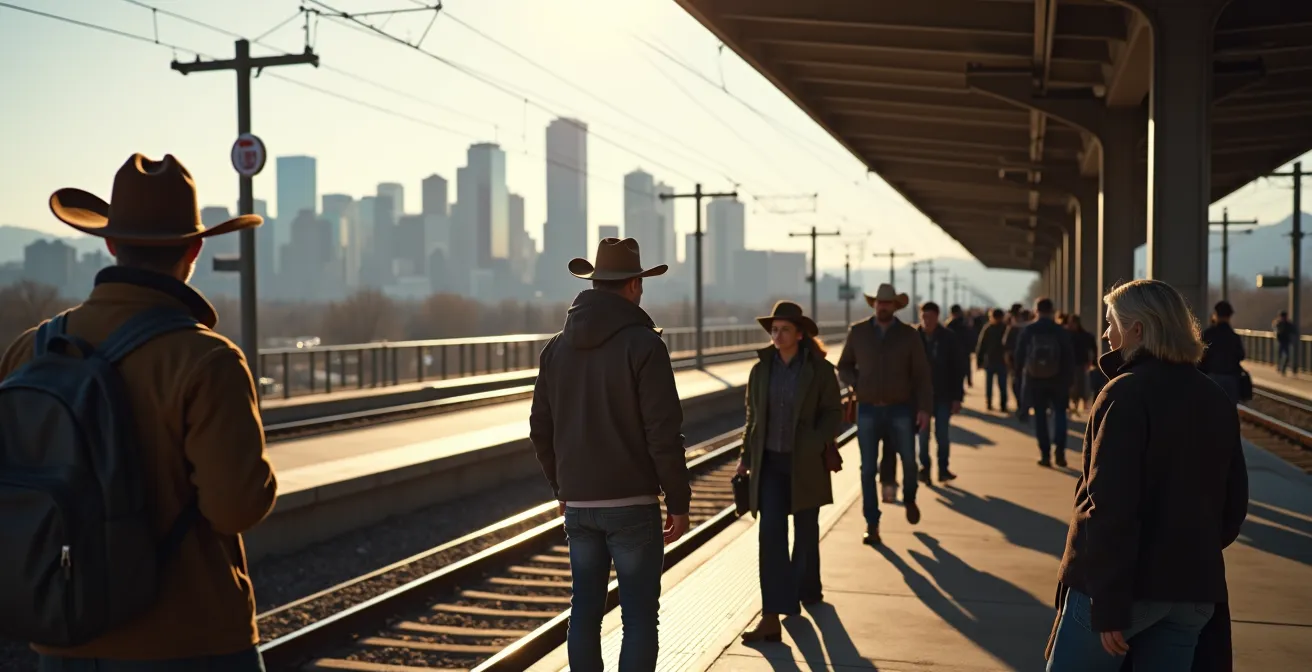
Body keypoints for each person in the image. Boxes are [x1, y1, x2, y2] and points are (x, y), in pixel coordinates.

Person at [0, 154, 277, 670]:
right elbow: (237, 507)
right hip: (190, 641)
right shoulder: (207, 359)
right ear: (193, 250)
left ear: (109, 243)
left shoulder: (29, 349)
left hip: (62, 638)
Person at [1045, 279, 1248, 671]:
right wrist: (1188, 554)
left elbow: (1108, 507)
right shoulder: (1214, 397)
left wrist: (1108, 602)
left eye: (1111, 323)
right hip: (1192, 591)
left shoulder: (1125, 393)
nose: (1105, 333)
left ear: (1137, 328)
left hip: (1125, 591)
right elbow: (1233, 504)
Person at [530, 237, 691, 672]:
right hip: (632, 506)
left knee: (584, 611)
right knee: (639, 617)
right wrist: (678, 502)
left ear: (595, 283)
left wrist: (561, 487)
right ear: (635, 286)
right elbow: (663, 434)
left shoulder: (555, 349)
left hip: (579, 505)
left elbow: (539, 429)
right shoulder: (644, 345)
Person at [736, 301, 843, 643]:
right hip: (769, 464)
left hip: (806, 463)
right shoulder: (761, 370)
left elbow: (833, 413)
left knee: (807, 532)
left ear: (800, 334)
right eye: (774, 329)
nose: (777, 335)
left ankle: (807, 587)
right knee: (770, 537)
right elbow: (752, 418)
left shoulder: (820, 371)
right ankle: (772, 617)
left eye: (784, 329)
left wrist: (815, 441)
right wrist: (744, 457)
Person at [837, 283, 933, 546]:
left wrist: (924, 409)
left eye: (888, 303)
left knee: (909, 462)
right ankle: (872, 523)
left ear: (895, 306)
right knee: (867, 469)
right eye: (879, 302)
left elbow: (922, 375)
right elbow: (843, 365)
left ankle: (910, 497)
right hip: (867, 409)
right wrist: (855, 381)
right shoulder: (858, 333)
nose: (883, 306)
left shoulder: (908, 335)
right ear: (874, 304)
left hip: (900, 409)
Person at [1014, 298, 1076, 468]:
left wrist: (1019, 376)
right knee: (1060, 415)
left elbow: (1019, 356)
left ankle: (1045, 454)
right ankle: (1060, 452)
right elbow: (1069, 357)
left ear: (1036, 311)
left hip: (1035, 381)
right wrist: (1069, 380)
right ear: (1052, 311)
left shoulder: (1029, 330)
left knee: (1040, 417)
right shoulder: (1059, 330)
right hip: (1059, 381)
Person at [916, 302, 966, 483]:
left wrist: (957, 397)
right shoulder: (914, 337)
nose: (926, 321)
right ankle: (924, 468)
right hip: (920, 398)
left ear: (938, 317)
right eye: (924, 317)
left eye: (930, 317)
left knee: (942, 435)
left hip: (943, 395)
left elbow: (957, 369)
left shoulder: (948, 338)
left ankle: (943, 468)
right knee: (922, 436)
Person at [1199, 301, 1245, 404]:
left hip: (1211, 378)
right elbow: (1241, 355)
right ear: (1230, 315)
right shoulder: (1234, 336)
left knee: (1211, 410)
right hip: (1231, 378)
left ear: (1215, 314)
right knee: (1230, 411)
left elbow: (1200, 356)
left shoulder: (1208, 334)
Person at [976, 308, 1010, 412]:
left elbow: (981, 346)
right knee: (1001, 384)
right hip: (999, 361)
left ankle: (992, 403)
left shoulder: (988, 328)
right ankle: (1001, 404)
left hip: (992, 360)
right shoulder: (1005, 328)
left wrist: (979, 361)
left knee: (992, 384)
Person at [1004, 309, 1033, 422]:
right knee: (1026, 387)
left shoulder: (1012, 329)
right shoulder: (1030, 329)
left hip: (1016, 363)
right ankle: (1025, 407)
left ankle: (1022, 407)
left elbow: (1006, 346)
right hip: (1031, 364)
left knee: (1017, 385)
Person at [1065, 315, 1097, 415]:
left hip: (1080, 364)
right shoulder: (1070, 335)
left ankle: (1080, 404)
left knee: (1081, 386)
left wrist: (1093, 362)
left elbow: (1093, 348)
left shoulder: (1079, 335)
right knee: (1075, 386)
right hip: (1073, 364)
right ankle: (1076, 404)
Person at [945, 304, 974, 389]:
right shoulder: (965, 323)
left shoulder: (949, 325)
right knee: (963, 371)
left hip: (952, 353)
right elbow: (970, 336)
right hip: (964, 351)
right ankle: (966, 383)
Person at [1274, 310, 1294, 375]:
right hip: (1280, 341)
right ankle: (1280, 367)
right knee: (1280, 355)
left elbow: (1292, 331)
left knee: (1286, 356)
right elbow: (1277, 330)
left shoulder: (1288, 324)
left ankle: (1282, 368)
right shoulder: (1278, 323)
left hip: (1285, 341)